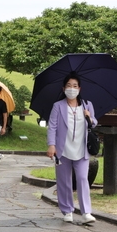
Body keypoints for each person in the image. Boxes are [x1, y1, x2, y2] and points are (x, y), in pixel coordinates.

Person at [46, 72, 96, 224]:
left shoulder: (87, 105)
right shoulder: (58, 106)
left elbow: (94, 123)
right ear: (63, 88)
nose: (72, 89)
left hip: (81, 150)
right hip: (63, 150)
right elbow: (52, 126)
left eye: (75, 86)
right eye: (69, 86)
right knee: (64, 181)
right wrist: (51, 145)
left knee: (82, 179)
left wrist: (89, 117)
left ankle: (86, 212)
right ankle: (67, 210)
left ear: (79, 88)